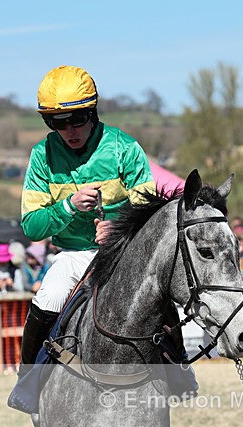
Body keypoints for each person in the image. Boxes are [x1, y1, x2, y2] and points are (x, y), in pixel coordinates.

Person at [17, 64, 155, 373]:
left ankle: (179, 369)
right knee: (50, 296)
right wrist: (68, 206)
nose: (70, 131)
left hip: (124, 250)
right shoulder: (41, 155)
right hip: (74, 254)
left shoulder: (125, 147)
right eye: (58, 122)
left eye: (77, 119)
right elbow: (32, 226)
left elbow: (151, 211)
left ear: (92, 112)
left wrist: (119, 229)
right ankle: (27, 380)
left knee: (159, 288)